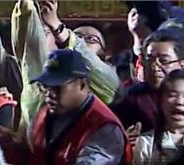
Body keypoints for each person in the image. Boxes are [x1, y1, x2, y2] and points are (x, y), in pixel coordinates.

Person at [12, 0, 119, 130]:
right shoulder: (42, 78)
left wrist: (58, 27)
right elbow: (30, 47)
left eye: (90, 39)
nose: (81, 40)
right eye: (78, 36)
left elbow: (89, 61)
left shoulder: (109, 82)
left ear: (103, 55)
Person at [111, 30, 184, 133]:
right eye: (149, 59)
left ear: (182, 64)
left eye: (164, 61)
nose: (154, 66)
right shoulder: (128, 98)